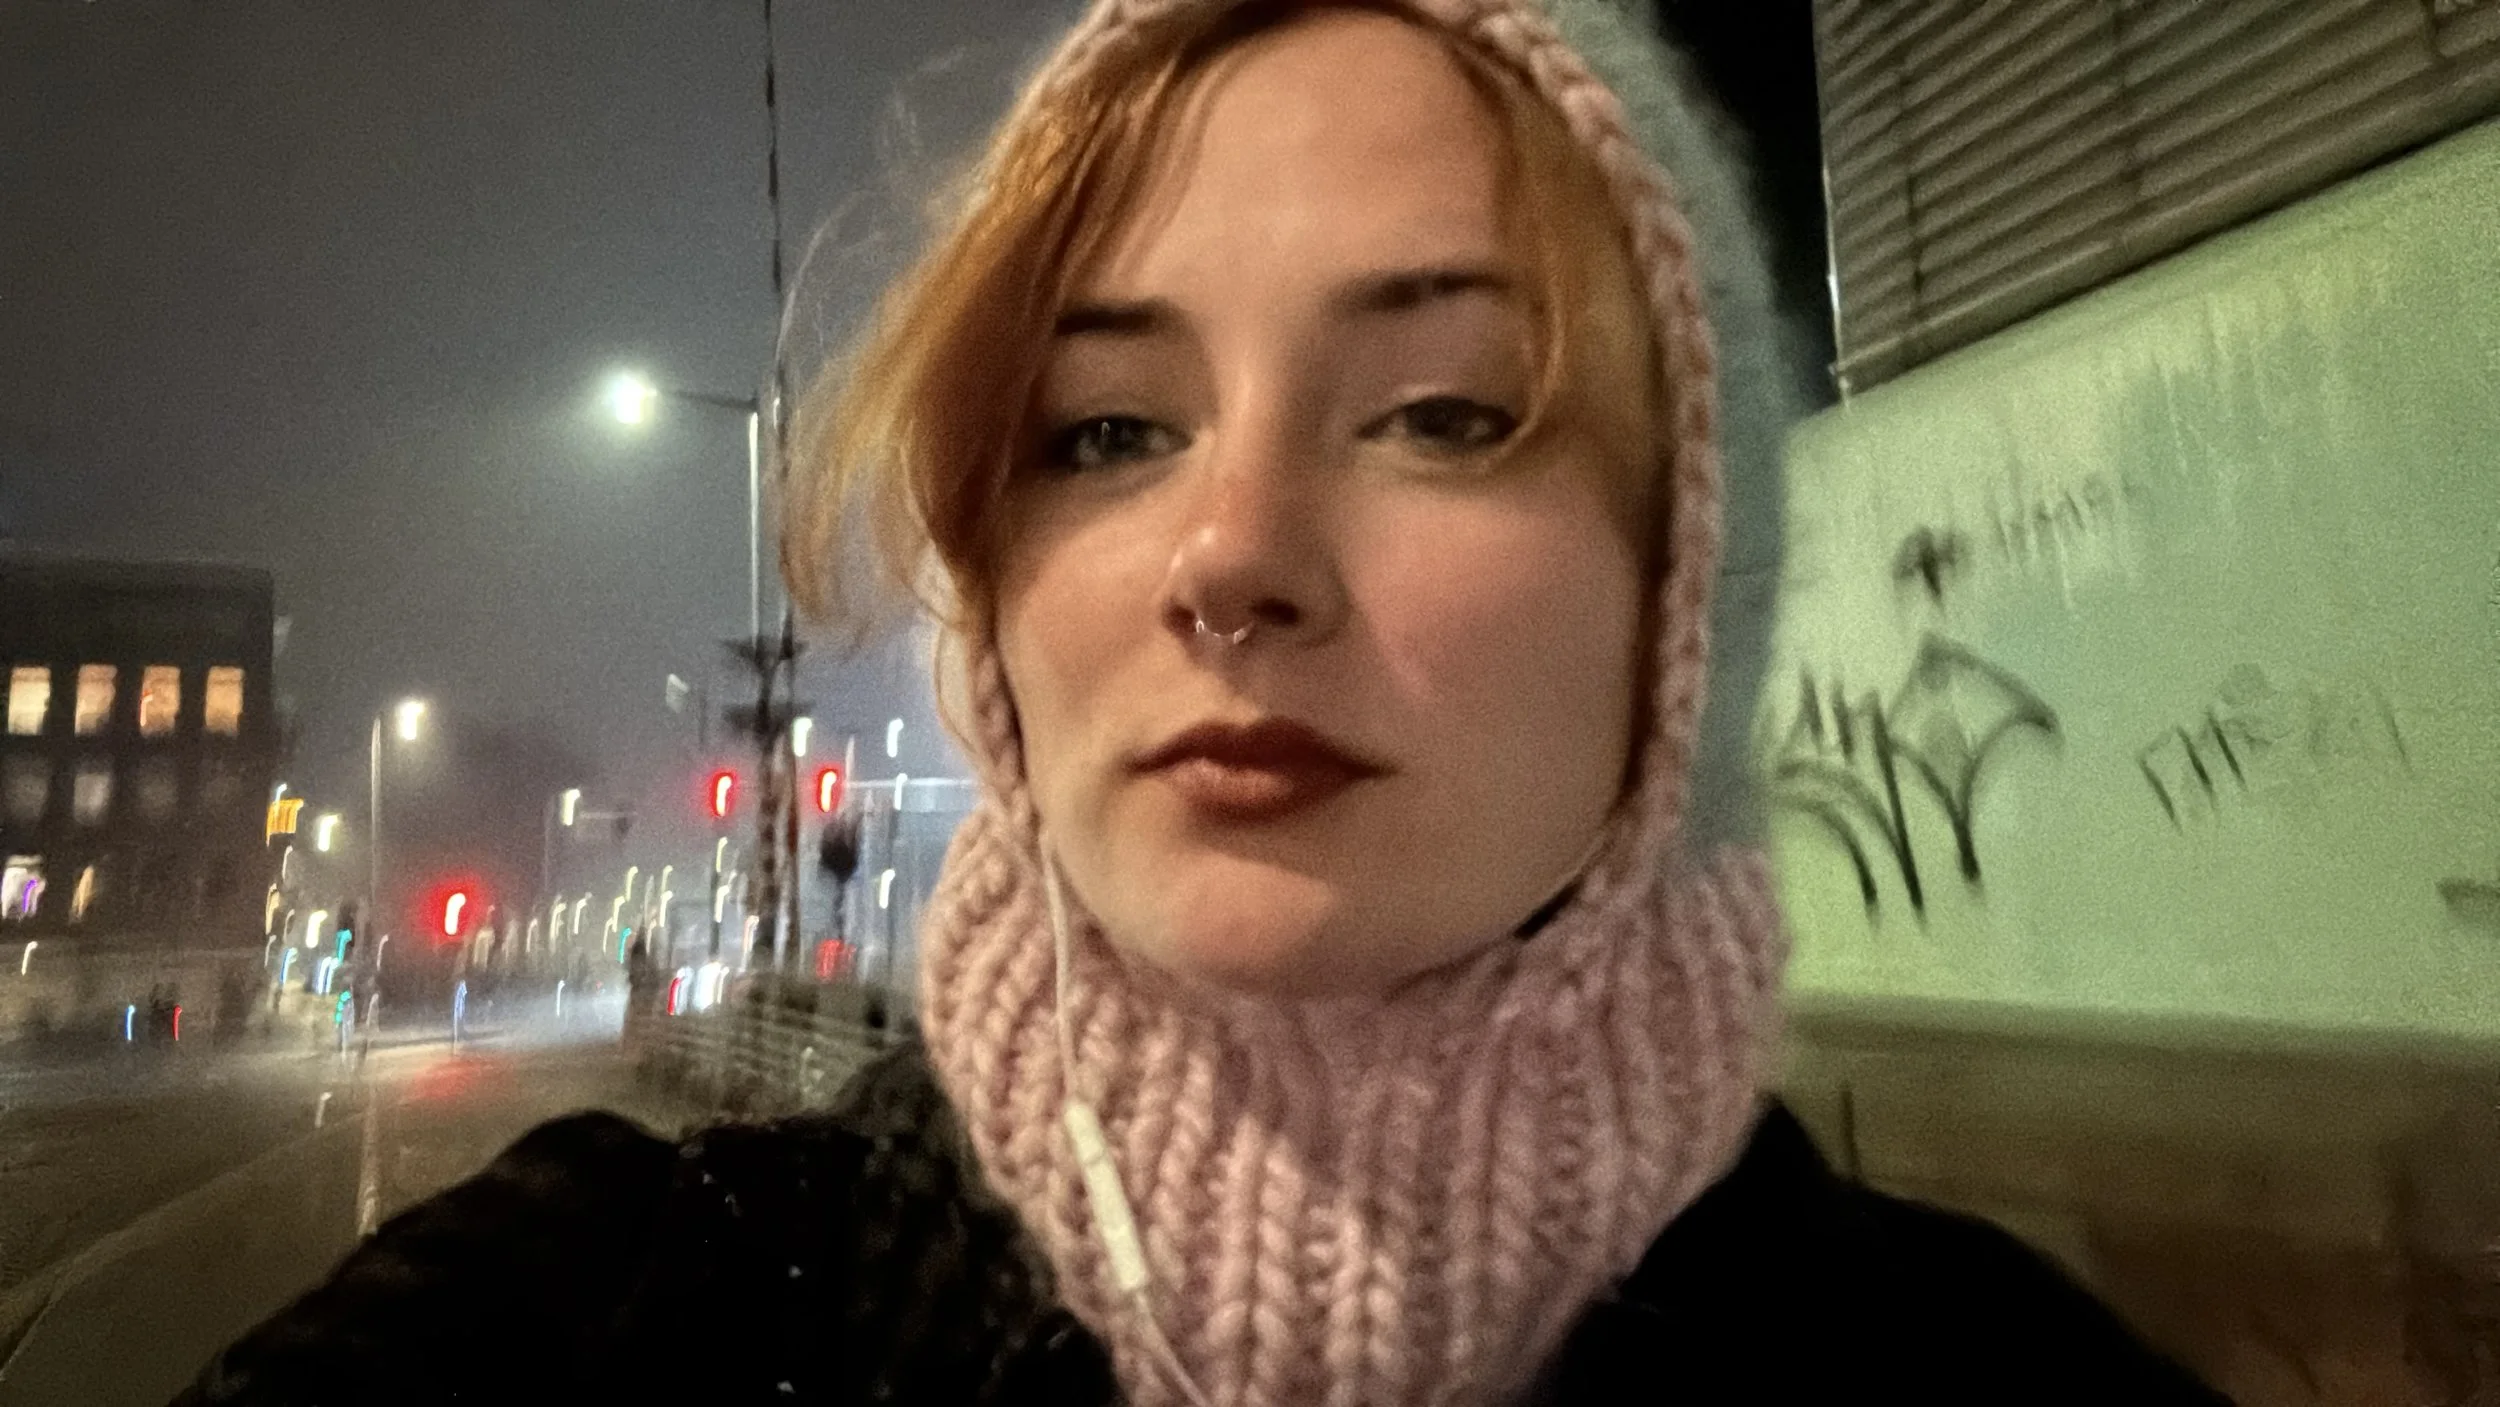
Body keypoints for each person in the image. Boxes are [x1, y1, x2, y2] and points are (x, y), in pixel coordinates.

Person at [176, 2, 2227, 1402]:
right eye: (1104, 432)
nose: (1229, 552)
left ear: (1686, 577)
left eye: (1442, 411)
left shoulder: (1983, 1367)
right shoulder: (619, 1310)